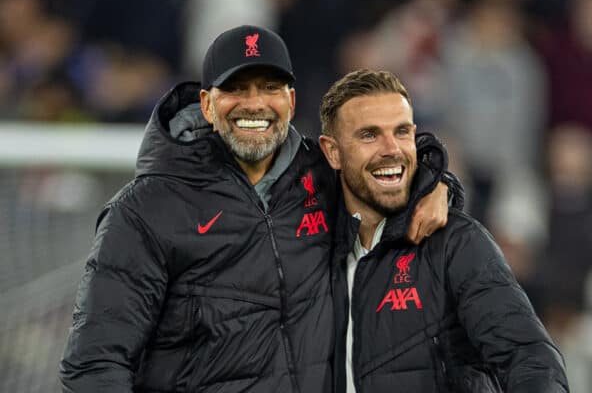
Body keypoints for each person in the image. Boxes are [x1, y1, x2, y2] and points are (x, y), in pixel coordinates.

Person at [58, 26, 455, 392]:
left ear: (291, 100)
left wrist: (439, 186)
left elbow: (392, 162)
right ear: (207, 105)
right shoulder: (144, 212)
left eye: (269, 87)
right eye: (237, 88)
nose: (254, 104)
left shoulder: (325, 176)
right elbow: (94, 365)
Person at [318, 69, 570, 393]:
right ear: (333, 152)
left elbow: (530, 359)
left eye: (402, 132)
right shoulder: (305, 249)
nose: (391, 149)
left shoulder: (456, 244)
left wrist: (439, 181)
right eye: (369, 135)